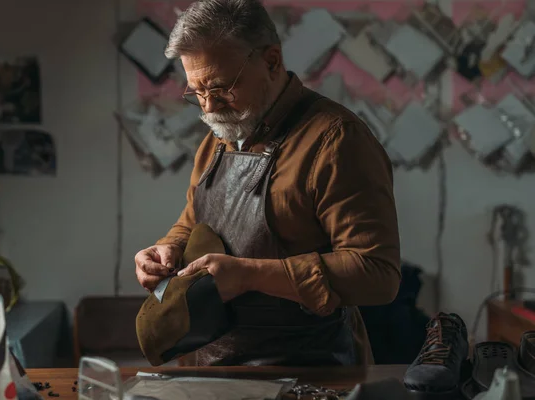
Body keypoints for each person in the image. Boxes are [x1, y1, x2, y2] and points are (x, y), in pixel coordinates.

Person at [134, 0, 401, 367]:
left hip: (310, 369)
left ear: (272, 61)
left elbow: (378, 274)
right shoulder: (219, 137)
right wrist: (167, 249)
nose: (209, 107)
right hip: (213, 366)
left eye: (221, 86)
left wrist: (248, 276)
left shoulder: (337, 141)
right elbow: (194, 222)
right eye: (196, 92)